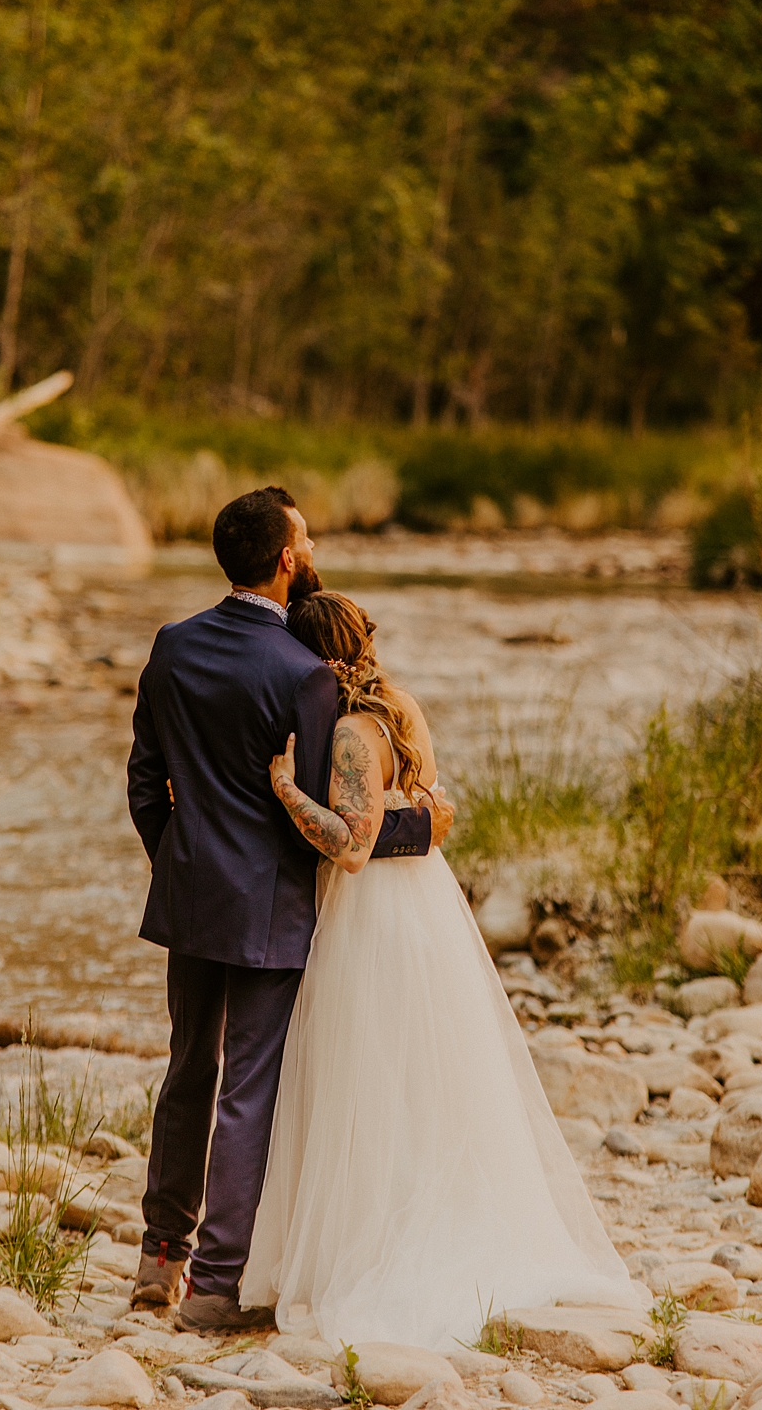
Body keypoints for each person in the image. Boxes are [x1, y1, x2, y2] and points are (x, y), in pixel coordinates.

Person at [243, 589, 647, 1351]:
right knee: (422, 1078)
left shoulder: (358, 732)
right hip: (424, 902)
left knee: (371, 1078)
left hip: (376, 917)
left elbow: (355, 848)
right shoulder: (402, 705)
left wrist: (286, 786)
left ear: (318, 659)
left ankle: (381, 1251)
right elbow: (433, 804)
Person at [126, 489, 454, 1332]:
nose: (309, 549)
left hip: (191, 897)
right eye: (303, 538)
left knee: (188, 1068)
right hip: (271, 907)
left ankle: (158, 1256)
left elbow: (143, 781)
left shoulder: (173, 645)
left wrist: (182, 860)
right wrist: (425, 826)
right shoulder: (304, 676)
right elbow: (333, 827)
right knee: (248, 1087)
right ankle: (214, 1285)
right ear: (283, 560)